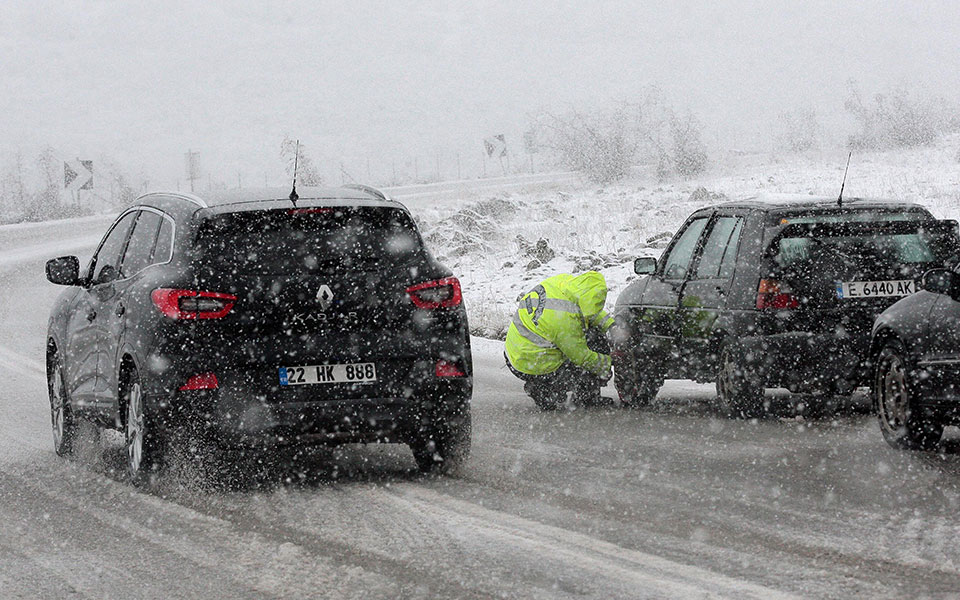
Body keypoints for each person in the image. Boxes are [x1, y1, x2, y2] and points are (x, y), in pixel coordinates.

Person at [504, 271, 615, 410]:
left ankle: (550, 387)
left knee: (589, 337)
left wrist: (611, 325)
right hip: (530, 363)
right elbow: (582, 357)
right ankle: (545, 390)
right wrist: (608, 363)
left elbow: (589, 311)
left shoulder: (564, 283)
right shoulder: (563, 320)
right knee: (589, 352)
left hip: (515, 351)